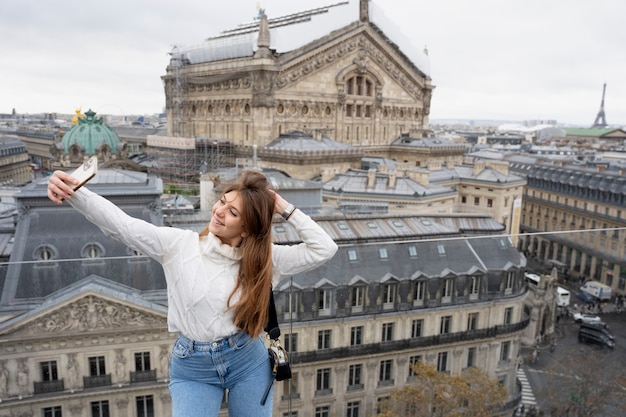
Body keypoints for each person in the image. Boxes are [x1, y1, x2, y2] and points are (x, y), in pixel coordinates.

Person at [47, 169, 338, 417]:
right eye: (222, 202)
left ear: (248, 228)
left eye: (232, 211)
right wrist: (75, 193)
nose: (219, 211)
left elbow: (324, 249)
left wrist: (281, 206)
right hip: (192, 364)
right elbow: (122, 226)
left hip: (247, 358)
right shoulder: (179, 245)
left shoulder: (264, 259)